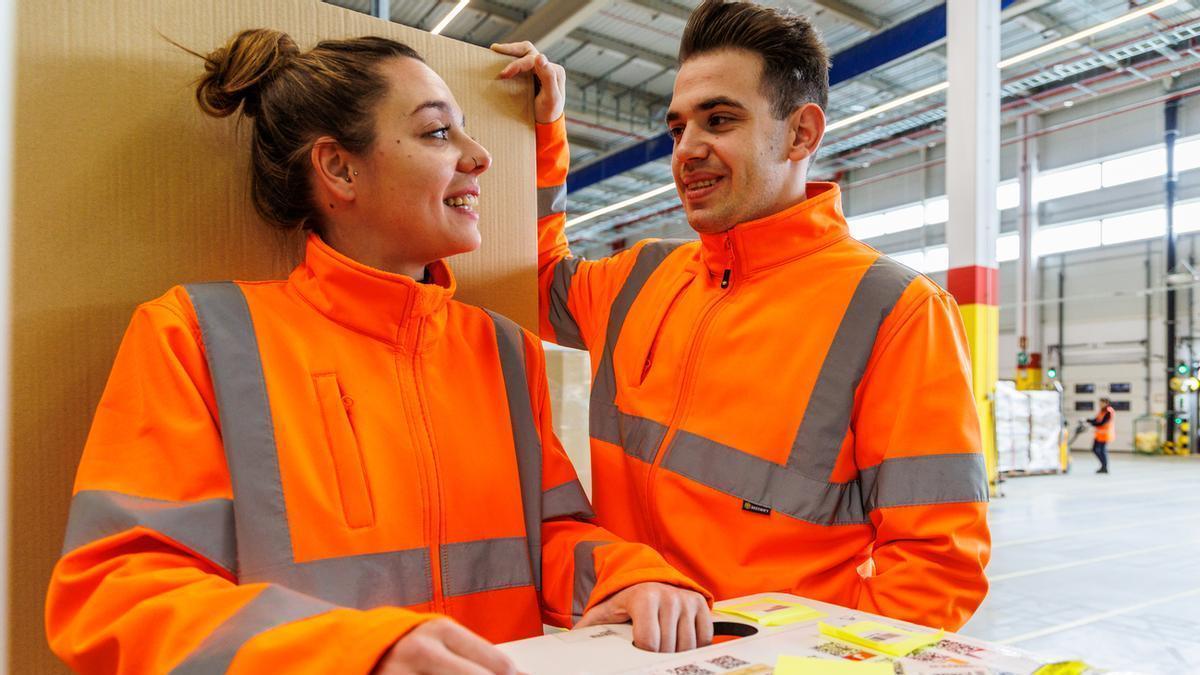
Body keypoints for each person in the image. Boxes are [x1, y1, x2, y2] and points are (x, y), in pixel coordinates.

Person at [45, 30, 713, 675]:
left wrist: (628, 576)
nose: (478, 156)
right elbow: (116, 594)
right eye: (436, 131)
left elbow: (551, 536)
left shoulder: (504, 351)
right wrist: (359, 653)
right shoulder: (197, 336)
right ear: (339, 168)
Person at [528, 0, 991, 631]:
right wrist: (536, 133)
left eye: (719, 120)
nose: (687, 150)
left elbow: (935, 569)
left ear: (801, 133)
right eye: (677, 128)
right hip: (629, 649)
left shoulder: (896, 311)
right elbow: (529, 279)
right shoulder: (639, 278)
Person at [1087, 397, 1116, 473]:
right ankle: (1103, 465)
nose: (1100, 404)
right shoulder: (1102, 411)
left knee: (1102, 451)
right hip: (1099, 435)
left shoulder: (1109, 412)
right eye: (1099, 403)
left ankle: (1104, 467)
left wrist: (1092, 423)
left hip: (1105, 434)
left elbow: (1102, 423)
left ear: (1106, 403)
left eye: (1101, 403)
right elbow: (1096, 420)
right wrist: (1087, 420)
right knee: (1094, 449)